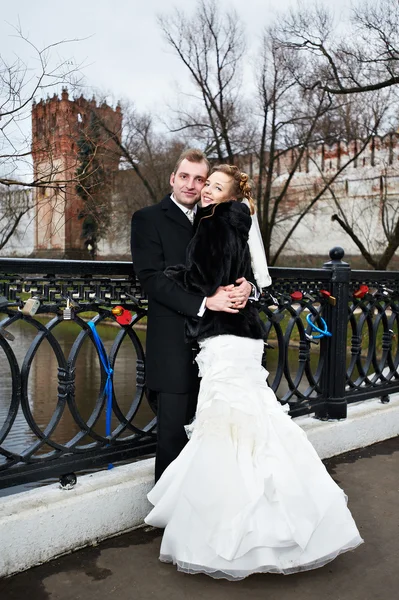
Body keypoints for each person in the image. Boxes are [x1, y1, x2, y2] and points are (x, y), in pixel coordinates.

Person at [144, 164, 363, 580]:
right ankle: (288, 519)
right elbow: (247, 277)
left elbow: (216, 277)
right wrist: (244, 288)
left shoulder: (213, 224)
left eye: (213, 185)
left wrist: (223, 287)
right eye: (202, 183)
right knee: (257, 424)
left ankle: (228, 535)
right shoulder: (234, 220)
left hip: (224, 339)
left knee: (224, 430)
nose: (204, 190)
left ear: (228, 196)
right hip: (242, 340)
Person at [130, 149, 255, 482]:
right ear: (172, 178)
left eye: (200, 179)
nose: (192, 184)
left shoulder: (220, 217)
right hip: (173, 347)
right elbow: (152, 280)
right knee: (172, 440)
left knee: (214, 439)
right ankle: (169, 522)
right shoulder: (147, 218)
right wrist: (204, 303)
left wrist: (249, 286)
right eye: (184, 176)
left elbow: (241, 265)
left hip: (218, 351)